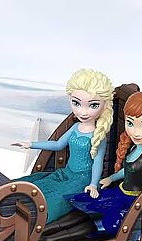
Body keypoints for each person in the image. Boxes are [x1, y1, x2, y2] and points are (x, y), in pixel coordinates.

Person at [12, 68, 114, 231]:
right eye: (77, 103)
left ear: (104, 105)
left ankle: (32, 223)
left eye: (93, 105)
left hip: (83, 180)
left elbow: (97, 162)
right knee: (39, 185)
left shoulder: (98, 135)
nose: (83, 112)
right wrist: (31, 144)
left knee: (54, 199)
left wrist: (93, 184)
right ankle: (12, 209)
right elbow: (57, 144)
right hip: (66, 173)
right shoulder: (75, 127)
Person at [67, 92, 142, 237]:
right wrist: (111, 178)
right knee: (86, 201)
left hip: (133, 199)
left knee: (107, 220)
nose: (136, 133)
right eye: (130, 124)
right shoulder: (134, 148)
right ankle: (59, 230)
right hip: (121, 192)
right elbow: (127, 170)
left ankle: (69, 236)